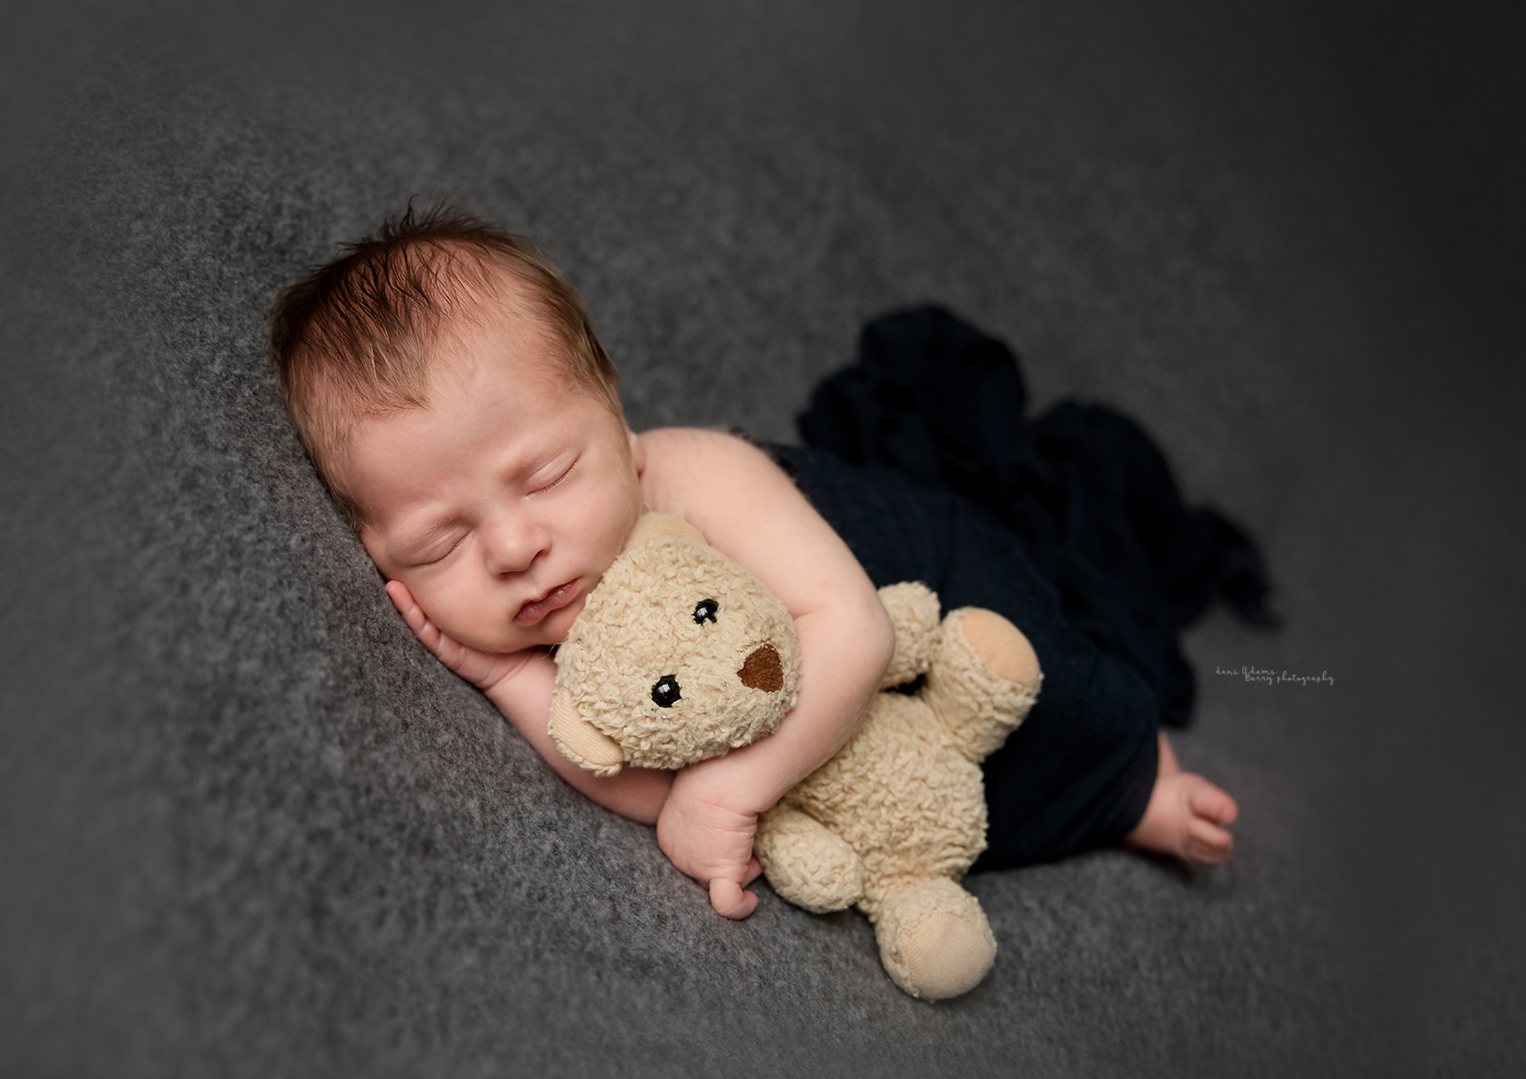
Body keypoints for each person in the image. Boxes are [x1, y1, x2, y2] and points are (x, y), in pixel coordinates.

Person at [270, 207, 1238, 921]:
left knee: (1031, 686)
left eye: (548, 473)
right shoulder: (526, 626)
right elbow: (653, 773)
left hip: (900, 588)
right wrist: (513, 680)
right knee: (904, 818)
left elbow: (850, 630)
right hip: (832, 740)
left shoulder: (693, 474)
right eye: (441, 540)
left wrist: (728, 789)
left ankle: (1133, 784)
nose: (515, 548)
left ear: (613, 413)